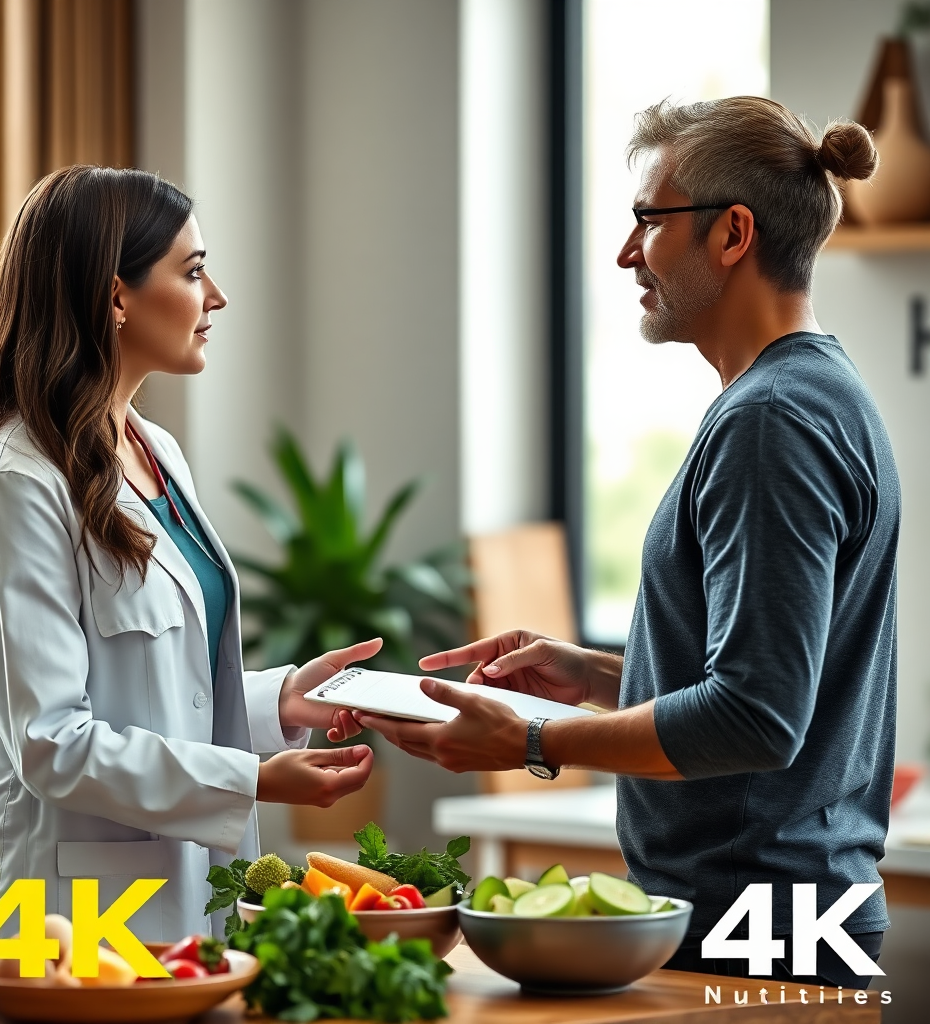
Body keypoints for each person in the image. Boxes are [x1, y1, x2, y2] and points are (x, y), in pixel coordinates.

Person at [358, 97, 898, 988]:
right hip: (786, 906)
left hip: (762, 918)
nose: (624, 252)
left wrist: (535, 737)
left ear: (732, 233)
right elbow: (776, 671)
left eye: (648, 220)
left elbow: (759, 715)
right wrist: (608, 671)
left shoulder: (773, 420)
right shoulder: (812, 392)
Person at [0, 165, 375, 940]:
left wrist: (276, 702)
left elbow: (161, 687)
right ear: (115, 296)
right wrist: (253, 780)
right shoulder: (14, 487)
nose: (215, 297)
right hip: (57, 915)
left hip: (174, 897)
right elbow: (52, 743)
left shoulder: (152, 450)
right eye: (191, 271)